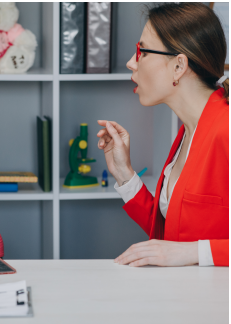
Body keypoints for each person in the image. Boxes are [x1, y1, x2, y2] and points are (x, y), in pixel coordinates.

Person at [97, 3, 228, 267]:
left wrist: (194, 253)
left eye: (141, 52)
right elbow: (170, 236)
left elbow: (183, 250)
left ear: (179, 66)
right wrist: (125, 175)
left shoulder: (225, 130)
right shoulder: (187, 133)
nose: (131, 63)